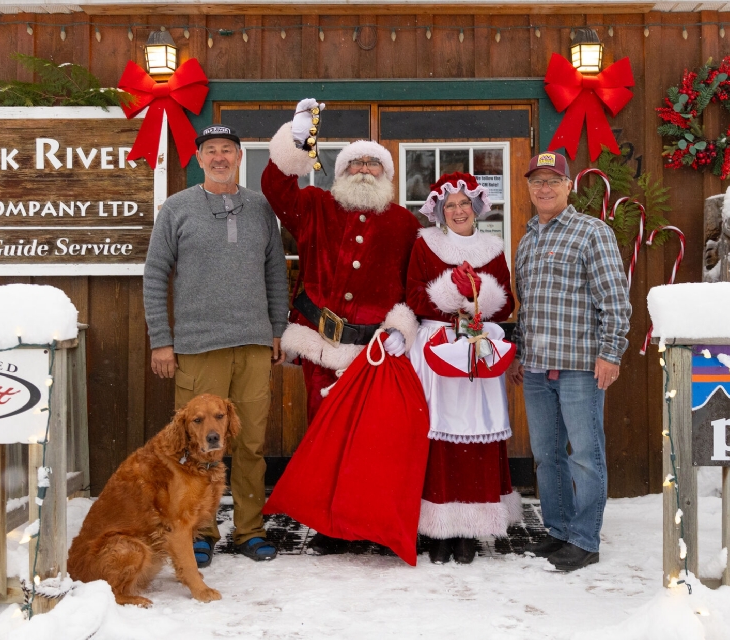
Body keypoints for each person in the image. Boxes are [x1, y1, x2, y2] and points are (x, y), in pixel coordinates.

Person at [261, 98, 421, 554]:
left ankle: (364, 525)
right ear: (341, 171)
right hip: (319, 346)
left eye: (374, 162)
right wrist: (296, 142)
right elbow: (275, 186)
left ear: (386, 174)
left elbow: (414, 285)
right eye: (356, 162)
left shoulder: (405, 223)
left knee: (369, 446)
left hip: (373, 354)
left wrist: (400, 329)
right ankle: (329, 526)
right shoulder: (314, 206)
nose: (365, 169)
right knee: (323, 438)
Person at [143, 124, 289, 565]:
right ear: (199, 158)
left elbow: (276, 273)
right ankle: (200, 530)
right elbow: (154, 275)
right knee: (198, 447)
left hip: (252, 342)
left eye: (228, 150)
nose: (220, 157)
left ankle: (249, 530)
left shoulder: (261, 208)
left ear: (240, 157)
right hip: (197, 345)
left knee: (249, 443)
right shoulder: (177, 208)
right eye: (211, 150)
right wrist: (161, 341)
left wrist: (276, 329)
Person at [508, 151, 631, 572]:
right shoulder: (527, 240)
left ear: (568, 186)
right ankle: (557, 530)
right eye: (537, 181)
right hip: (539, 369)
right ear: (528, 188)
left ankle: (584, 539)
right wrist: (521, 353)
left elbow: (615, 299)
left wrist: (610, 353)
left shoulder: (591, 232)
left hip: (580, 365)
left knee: (584, 454)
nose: (544, 188)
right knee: (546, 455)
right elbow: (528, 306)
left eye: (552, 180)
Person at [406, 172, 520, 564]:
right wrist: (450, 293)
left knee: (479, 434)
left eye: (463, 203)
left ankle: (471, 527)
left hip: (478, 345)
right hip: (438, 345)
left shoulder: (492, 247)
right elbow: (414, 294)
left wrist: (478, 298)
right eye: (449, 204)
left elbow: (505, 303)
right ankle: (438, 528)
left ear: (476, 207)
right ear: (439, 210)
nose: (457, 210)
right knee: (439, 433)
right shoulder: (425, 244)